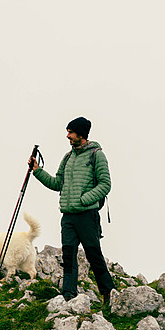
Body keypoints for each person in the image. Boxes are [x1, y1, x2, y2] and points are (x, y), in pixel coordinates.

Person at [29, 116, 116, 305]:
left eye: (71, 132)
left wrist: (84, 200)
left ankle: (108, 292)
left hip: (87, 215)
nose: (67, 135)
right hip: (68, 216)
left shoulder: (96, 155)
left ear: (81, 134)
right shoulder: (67, 157)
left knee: (94, 255)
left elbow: (105, 184)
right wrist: (37, 170)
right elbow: (57, 183)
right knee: (68, 256)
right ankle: (69, 295)